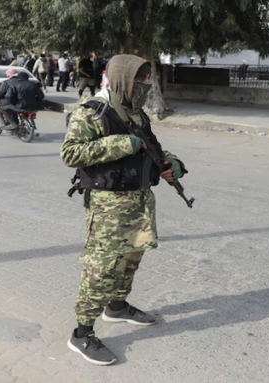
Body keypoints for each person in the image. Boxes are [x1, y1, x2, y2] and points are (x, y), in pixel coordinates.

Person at [61, 54, 187, 366]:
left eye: (148, 79)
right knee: (102, 269)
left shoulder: (137, 114)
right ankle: (82, 333)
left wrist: (173, 164)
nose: (146, 84)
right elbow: (71, 153)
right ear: (122, 80)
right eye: (140, 79)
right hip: (108, 207)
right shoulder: (92, 112)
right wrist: (121, 144)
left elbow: (152, 148)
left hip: (140, 202)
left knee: (131, 260)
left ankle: (116, 307)